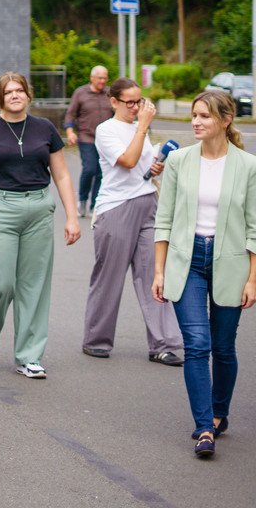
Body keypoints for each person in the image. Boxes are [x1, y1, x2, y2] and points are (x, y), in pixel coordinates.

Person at [152, 90, 256, 459]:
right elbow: (163, 220)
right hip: (188, 259)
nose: (196, 122)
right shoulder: (179, 160)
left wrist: (252, 278)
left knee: (223, 347)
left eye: (204, 116)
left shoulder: (248, 165)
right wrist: (160, 270)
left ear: (225, 120)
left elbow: (254, 227)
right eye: (194, 115)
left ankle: (219, 411)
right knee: (196, 345)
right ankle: (204, 427)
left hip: (230, 261)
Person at [0, 72, 80, 380]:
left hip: (39, 209)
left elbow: (63, 175)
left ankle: (29, 356)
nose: (15, 95)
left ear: (29, 95)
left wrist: (71, 216)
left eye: (20, 90)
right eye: (9, 91)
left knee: (33, 286)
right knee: (1, 282)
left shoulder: (45, 128)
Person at [82, 77, 183, 365]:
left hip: (148, 202)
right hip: (116, 207)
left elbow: (139, 163)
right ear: (113, 101)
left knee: (154, 275)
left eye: (140, 101)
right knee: (109, 276)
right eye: (130, 102)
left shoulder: (140, 128)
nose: (137, 107)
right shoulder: (106, 130)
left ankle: (162, 344)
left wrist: (155, 165)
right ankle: (96, 340)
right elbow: (126, 160)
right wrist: (142, 127)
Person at [64, 66, 113, 217]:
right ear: (92, 78)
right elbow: (70, 114)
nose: (102, 81)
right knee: (89, 168)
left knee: (100, 172)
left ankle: (95, 204)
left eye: (105, 78)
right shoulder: (81, 92)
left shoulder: (110, 94)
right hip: (87, 137)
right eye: (100, 78)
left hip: (105, 139)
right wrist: (70, 132)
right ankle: (82, 200)